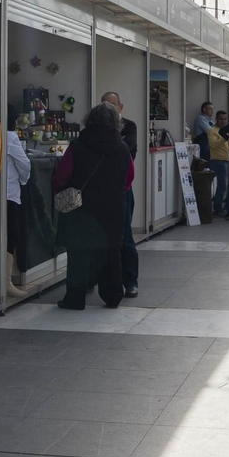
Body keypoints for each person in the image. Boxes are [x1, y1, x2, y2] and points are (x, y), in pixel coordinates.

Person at [53, 104, 135, 309]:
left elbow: (62, 175)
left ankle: (75, 298)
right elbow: (129, 179)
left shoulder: (78, 145)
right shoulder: (122, 147)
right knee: (111, 254)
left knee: (79, 254)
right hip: (113, 209)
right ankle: (113, 296)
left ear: (89, 120)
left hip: (81, 210)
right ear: (115, 123)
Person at [99, 92, 141, 296]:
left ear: (120, 107)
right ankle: (93, 279)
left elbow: (129, 150)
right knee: (97, 235)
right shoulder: (93, 129)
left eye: (112, 104)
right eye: (104, 104)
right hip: (99, 190)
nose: (108, 108)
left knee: (125, 236)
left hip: (122, 189)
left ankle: (131, 281)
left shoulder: (129, 126)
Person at [5, 112, 32, 296]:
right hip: (10, 193)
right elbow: (24, 164)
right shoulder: (10, 137)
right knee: (10, 236)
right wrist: (23, 180)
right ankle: (6, 282)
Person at [207, 109, 229, 218]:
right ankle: (218, 208)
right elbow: (213, 144)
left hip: (226, 160)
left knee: (223, 186)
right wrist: (225, 138)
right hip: (218, 161)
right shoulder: (213, 130)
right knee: (222, 186)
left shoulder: (225, 130)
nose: (223, 121)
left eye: (225, 119)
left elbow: (226, 145)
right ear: (216, 119)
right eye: (221, 119)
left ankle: (220, 207)